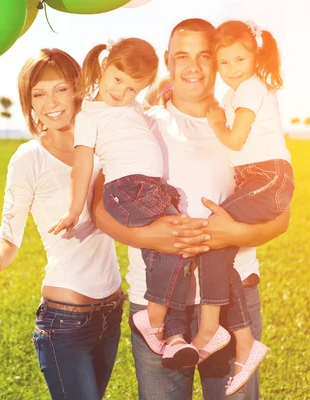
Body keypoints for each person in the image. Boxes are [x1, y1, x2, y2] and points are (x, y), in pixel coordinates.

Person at [91, 19, 291, 399]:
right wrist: (150, 237)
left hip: (234, 298)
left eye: (204, 56)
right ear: (167, 61)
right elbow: (101, 207)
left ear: (217, 62)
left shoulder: (240, 126)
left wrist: (238, 234)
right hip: (159, 303)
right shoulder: (140, 124)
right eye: (182, 56)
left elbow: (282, 213)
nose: (194, 67)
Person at [0, 48, 127, 400]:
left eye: (58, 89)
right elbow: (8, 236)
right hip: (65, 322)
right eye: (38, 94)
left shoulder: (103, 145)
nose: (50, 102)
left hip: (113, 309)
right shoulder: (30, 158)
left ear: (76, 89)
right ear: (29, 103)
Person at [49, 37, 200, 370]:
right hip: (126, 191)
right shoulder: (89, 113)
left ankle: (174, 338)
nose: (121, 92)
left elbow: (153, 99)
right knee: (179, 244)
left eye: (132, 89)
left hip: (151, 191)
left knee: (171, 255)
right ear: (105, 66)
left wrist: (165, 92)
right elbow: (83, 166)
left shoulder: (131, 107)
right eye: (117, 79)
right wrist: (75, 209)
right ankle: (154, 317)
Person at [190, 19, 294, 395]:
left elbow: (235, 140)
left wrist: (216, 122)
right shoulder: (240, 90)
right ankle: (239, 338)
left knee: (215, 240)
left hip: (269, 178)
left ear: (255, 56)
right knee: (216, 247)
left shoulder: (250, 88)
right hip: (256, 178)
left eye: (240, 59)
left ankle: (213, 330)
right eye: (225, 63)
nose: (233, 69)